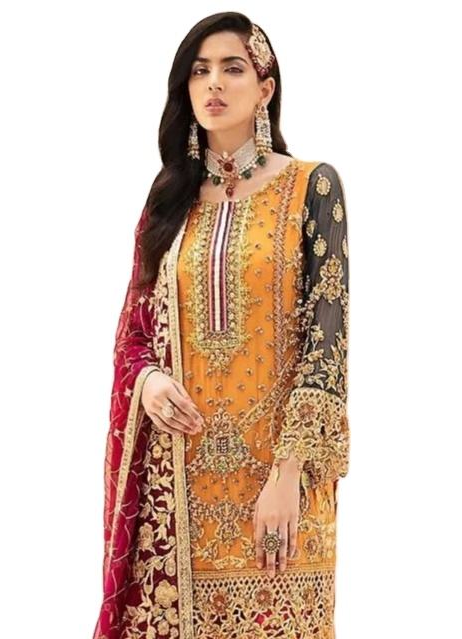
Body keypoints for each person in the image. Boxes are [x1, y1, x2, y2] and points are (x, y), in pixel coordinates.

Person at [93, 12, 350, 639]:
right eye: (199, 70)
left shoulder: (312, 186)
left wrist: (288, 475)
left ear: (265, 88)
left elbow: (327, 343)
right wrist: (148, 381)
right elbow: (133, 330)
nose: (213, 82)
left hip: (280, 486)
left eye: (233, 68)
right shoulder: (168, 201)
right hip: (177, 490)